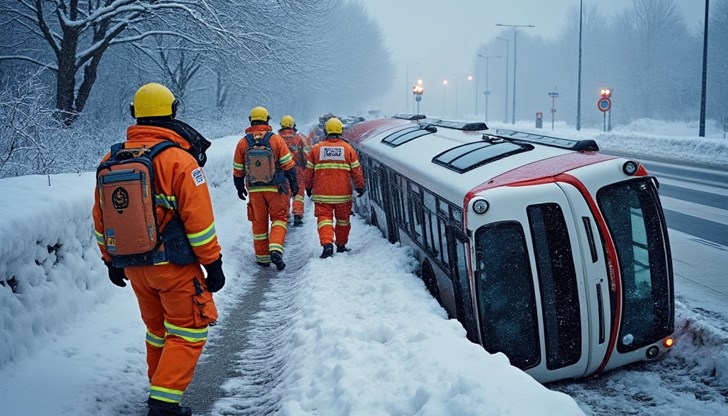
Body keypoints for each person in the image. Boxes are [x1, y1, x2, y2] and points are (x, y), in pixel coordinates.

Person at [93, 83, 225, 416]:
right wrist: (214, 263)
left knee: (158, 331)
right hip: (175, 268)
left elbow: (100, 216)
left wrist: (110, 261)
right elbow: (200, 223)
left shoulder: (111, 159)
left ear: (135, 115)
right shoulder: (180, 161)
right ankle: (164, 405)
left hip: (135, 266)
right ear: (173, 113)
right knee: (189, 330)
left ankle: (160, 391)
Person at [233, 106, 298, 270]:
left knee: (259, 223)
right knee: (279, 219)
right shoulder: (275, 139)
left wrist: (239, 187)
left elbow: (238, 169)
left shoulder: (243, 142)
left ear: (250, 120)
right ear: (267, 120)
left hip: (255, 190)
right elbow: (288, 164)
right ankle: (275, 248)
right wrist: (294, 183)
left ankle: (262, 259)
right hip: (276, 188)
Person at [305, 117, 365, 258]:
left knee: (324, 219)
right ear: (340, 131)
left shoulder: (316, 149)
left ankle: (327, 244)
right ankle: (341, 245)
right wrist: (360, 186)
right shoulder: (347, 149)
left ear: (325, 131)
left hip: (322, 193)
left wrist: (308, 187)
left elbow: (308, 172)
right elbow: (356, 171)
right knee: (343, 221)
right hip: (343, 194)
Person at [278, 115, 309, 226]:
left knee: (285, 193)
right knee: (299, 193)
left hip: (281, 171)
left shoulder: (276, 139)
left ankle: (285, 214)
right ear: (293, 125)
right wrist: (306, 167)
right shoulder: (299, 139)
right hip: (297, 170)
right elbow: (306, 154)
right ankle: (298, 214)